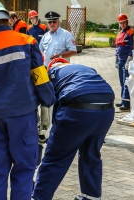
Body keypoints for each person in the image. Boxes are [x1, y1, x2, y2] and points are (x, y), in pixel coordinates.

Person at [0, 1, 55, 199]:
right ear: (7, 19)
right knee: (24, 170)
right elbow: (40, 78)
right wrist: (46, 111)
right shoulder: (28, 42)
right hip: (23, 118)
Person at [32, 58, 115, 200]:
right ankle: (92, 196)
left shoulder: (52, 73)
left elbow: (52, 104)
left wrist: (47, 135)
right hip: (107, 109)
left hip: (77, 109)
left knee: (56, 157)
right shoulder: (85, 68)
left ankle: (39, 197)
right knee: (91, 153)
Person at [115, 13, 134, 111]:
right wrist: (116, 60)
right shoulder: (120, 33)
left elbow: (131, 46)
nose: (122, 25)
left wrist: (129, 60)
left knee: (126, 81)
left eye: (124, 22)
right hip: (120, 60)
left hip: (127, 60)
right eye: (121, 23)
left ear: (127, 22)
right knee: (122, 82)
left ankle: (126, 103)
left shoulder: (131, 32)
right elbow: (117, 48)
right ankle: (123, 100)